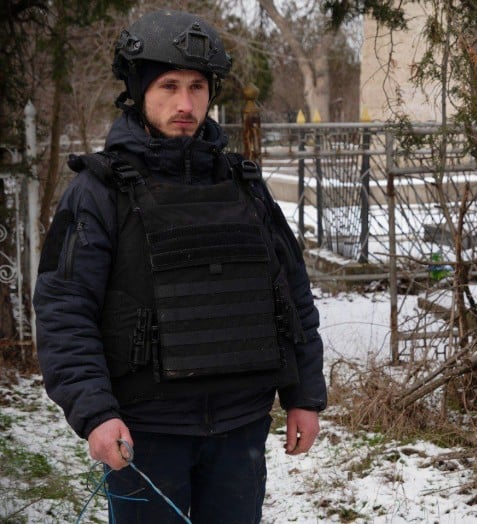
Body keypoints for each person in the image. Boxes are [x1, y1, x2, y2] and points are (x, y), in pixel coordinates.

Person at [33, 9, 326, 523]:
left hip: (240, 428)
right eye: (168, 86)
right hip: (146, 432)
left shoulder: (245, 186)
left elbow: (291, 292)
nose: (185, 104)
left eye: (197, 87)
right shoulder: (97, 192)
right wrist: (95, 413)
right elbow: (65, 310)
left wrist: (304, 396)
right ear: (138, 91)